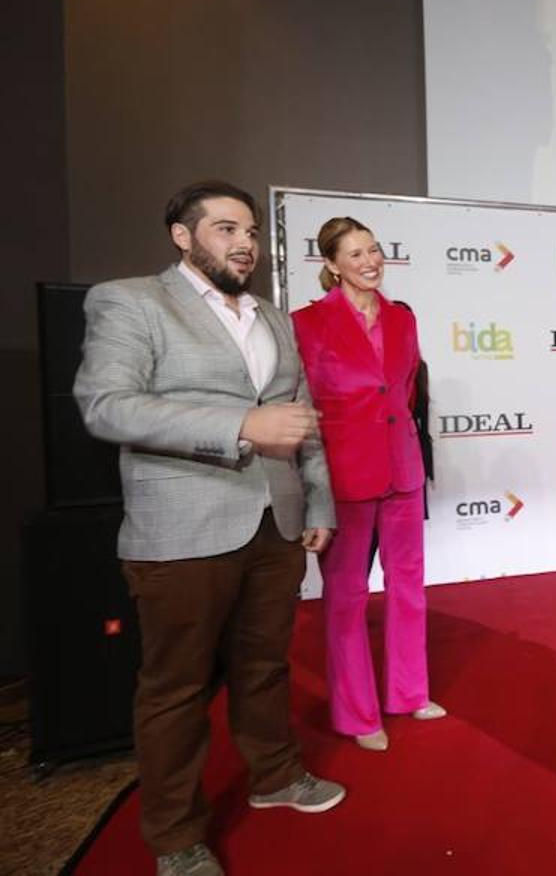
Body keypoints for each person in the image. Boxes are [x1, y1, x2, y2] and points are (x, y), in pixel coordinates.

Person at [74, 180, 345, 876]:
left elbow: (302, 418)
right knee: (176, 689)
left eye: (250, 230)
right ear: (182, 235)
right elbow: (106, 407)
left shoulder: (275, 319)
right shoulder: (132, 300)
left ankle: (277, 778)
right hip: (181, 529)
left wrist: (317, 505)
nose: (244, 243)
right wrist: (238, 425)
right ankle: (174, 837)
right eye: (225, 229)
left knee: (263, 668)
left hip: (275, 524)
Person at [291, 217, 444, 753]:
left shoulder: (403, 318)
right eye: (355, 254)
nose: (370, 261)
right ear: (332, 266)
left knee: (409, 586)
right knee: (345, 597)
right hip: (343, 477)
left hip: (401, 470)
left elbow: (402, 392)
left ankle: (409, 692)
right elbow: (303, 405)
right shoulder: (306, 323)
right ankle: (357, 714)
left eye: (375, 250)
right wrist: (313, 491)